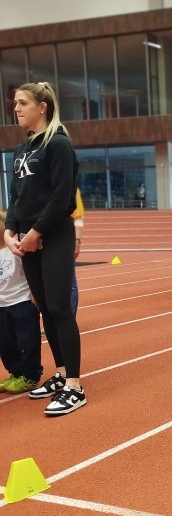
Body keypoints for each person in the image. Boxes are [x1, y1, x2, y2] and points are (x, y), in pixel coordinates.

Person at [3, 81, 86, 416]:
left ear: (42, 107)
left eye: (23, 103)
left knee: (60, 308)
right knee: (45, 310)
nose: (16, 109)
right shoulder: (21, 150)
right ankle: (62, 373)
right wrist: (10, 231)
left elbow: (63, 198)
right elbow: (17, 198)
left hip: (54, 236)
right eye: (15, 103)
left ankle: (75, 387)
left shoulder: (59, 145)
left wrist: (36, 232)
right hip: (28, 238)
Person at [0, 209, 43, 394]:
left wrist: (34, 297)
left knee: (27, 341)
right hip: (2, 306)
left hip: (21, 303)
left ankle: (31, 376)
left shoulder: (16, 246)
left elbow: (31, 272)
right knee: (5, 343)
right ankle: (16, 373)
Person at [71, 188, 84, 315]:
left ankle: (69, 320)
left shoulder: (71, 187)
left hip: (63, 242)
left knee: (69, 283)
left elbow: (78, 217)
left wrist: (77, 240)